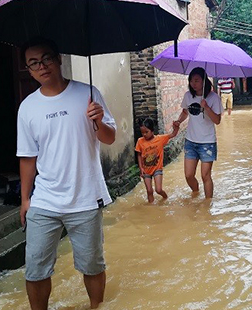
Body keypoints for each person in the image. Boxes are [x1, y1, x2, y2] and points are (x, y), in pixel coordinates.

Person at [16, 38, 116, 310]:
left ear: (58, 58)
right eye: (33, 63)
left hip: (85, 197)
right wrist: (26, 200)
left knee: (92, 265)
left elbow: (109, 138)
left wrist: (98, 120)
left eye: (46, 58)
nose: (41, 66)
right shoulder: (27, 107)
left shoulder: (88, 93)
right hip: (45, 200)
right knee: (35, 269)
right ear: (28, 69)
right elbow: (28, 157)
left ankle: (97, 306)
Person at [173, 67, 222, 198]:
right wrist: (178, 121)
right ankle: (196, 193)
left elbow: (217, 120)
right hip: (191, 141)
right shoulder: (188, 96)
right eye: (191, 81)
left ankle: (207, 206)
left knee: (205, 175)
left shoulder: (213, 98)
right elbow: (185, 112)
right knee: (189, 175)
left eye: (196, 80)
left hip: (207, 142)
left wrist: (206, 107)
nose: (193, 84)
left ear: (204, 81)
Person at [135, 118, 179, 203]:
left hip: (157, 169)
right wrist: (141, 168)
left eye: (146, 132)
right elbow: (139, 155)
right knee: (149, 191)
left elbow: (173, 134)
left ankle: (165, 198)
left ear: (152, 131)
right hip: (146, 170)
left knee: (158, 190)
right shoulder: (140, 141)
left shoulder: (160, 139)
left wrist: (176, 127)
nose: (144, 134)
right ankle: (151, 208)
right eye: (142, 132)